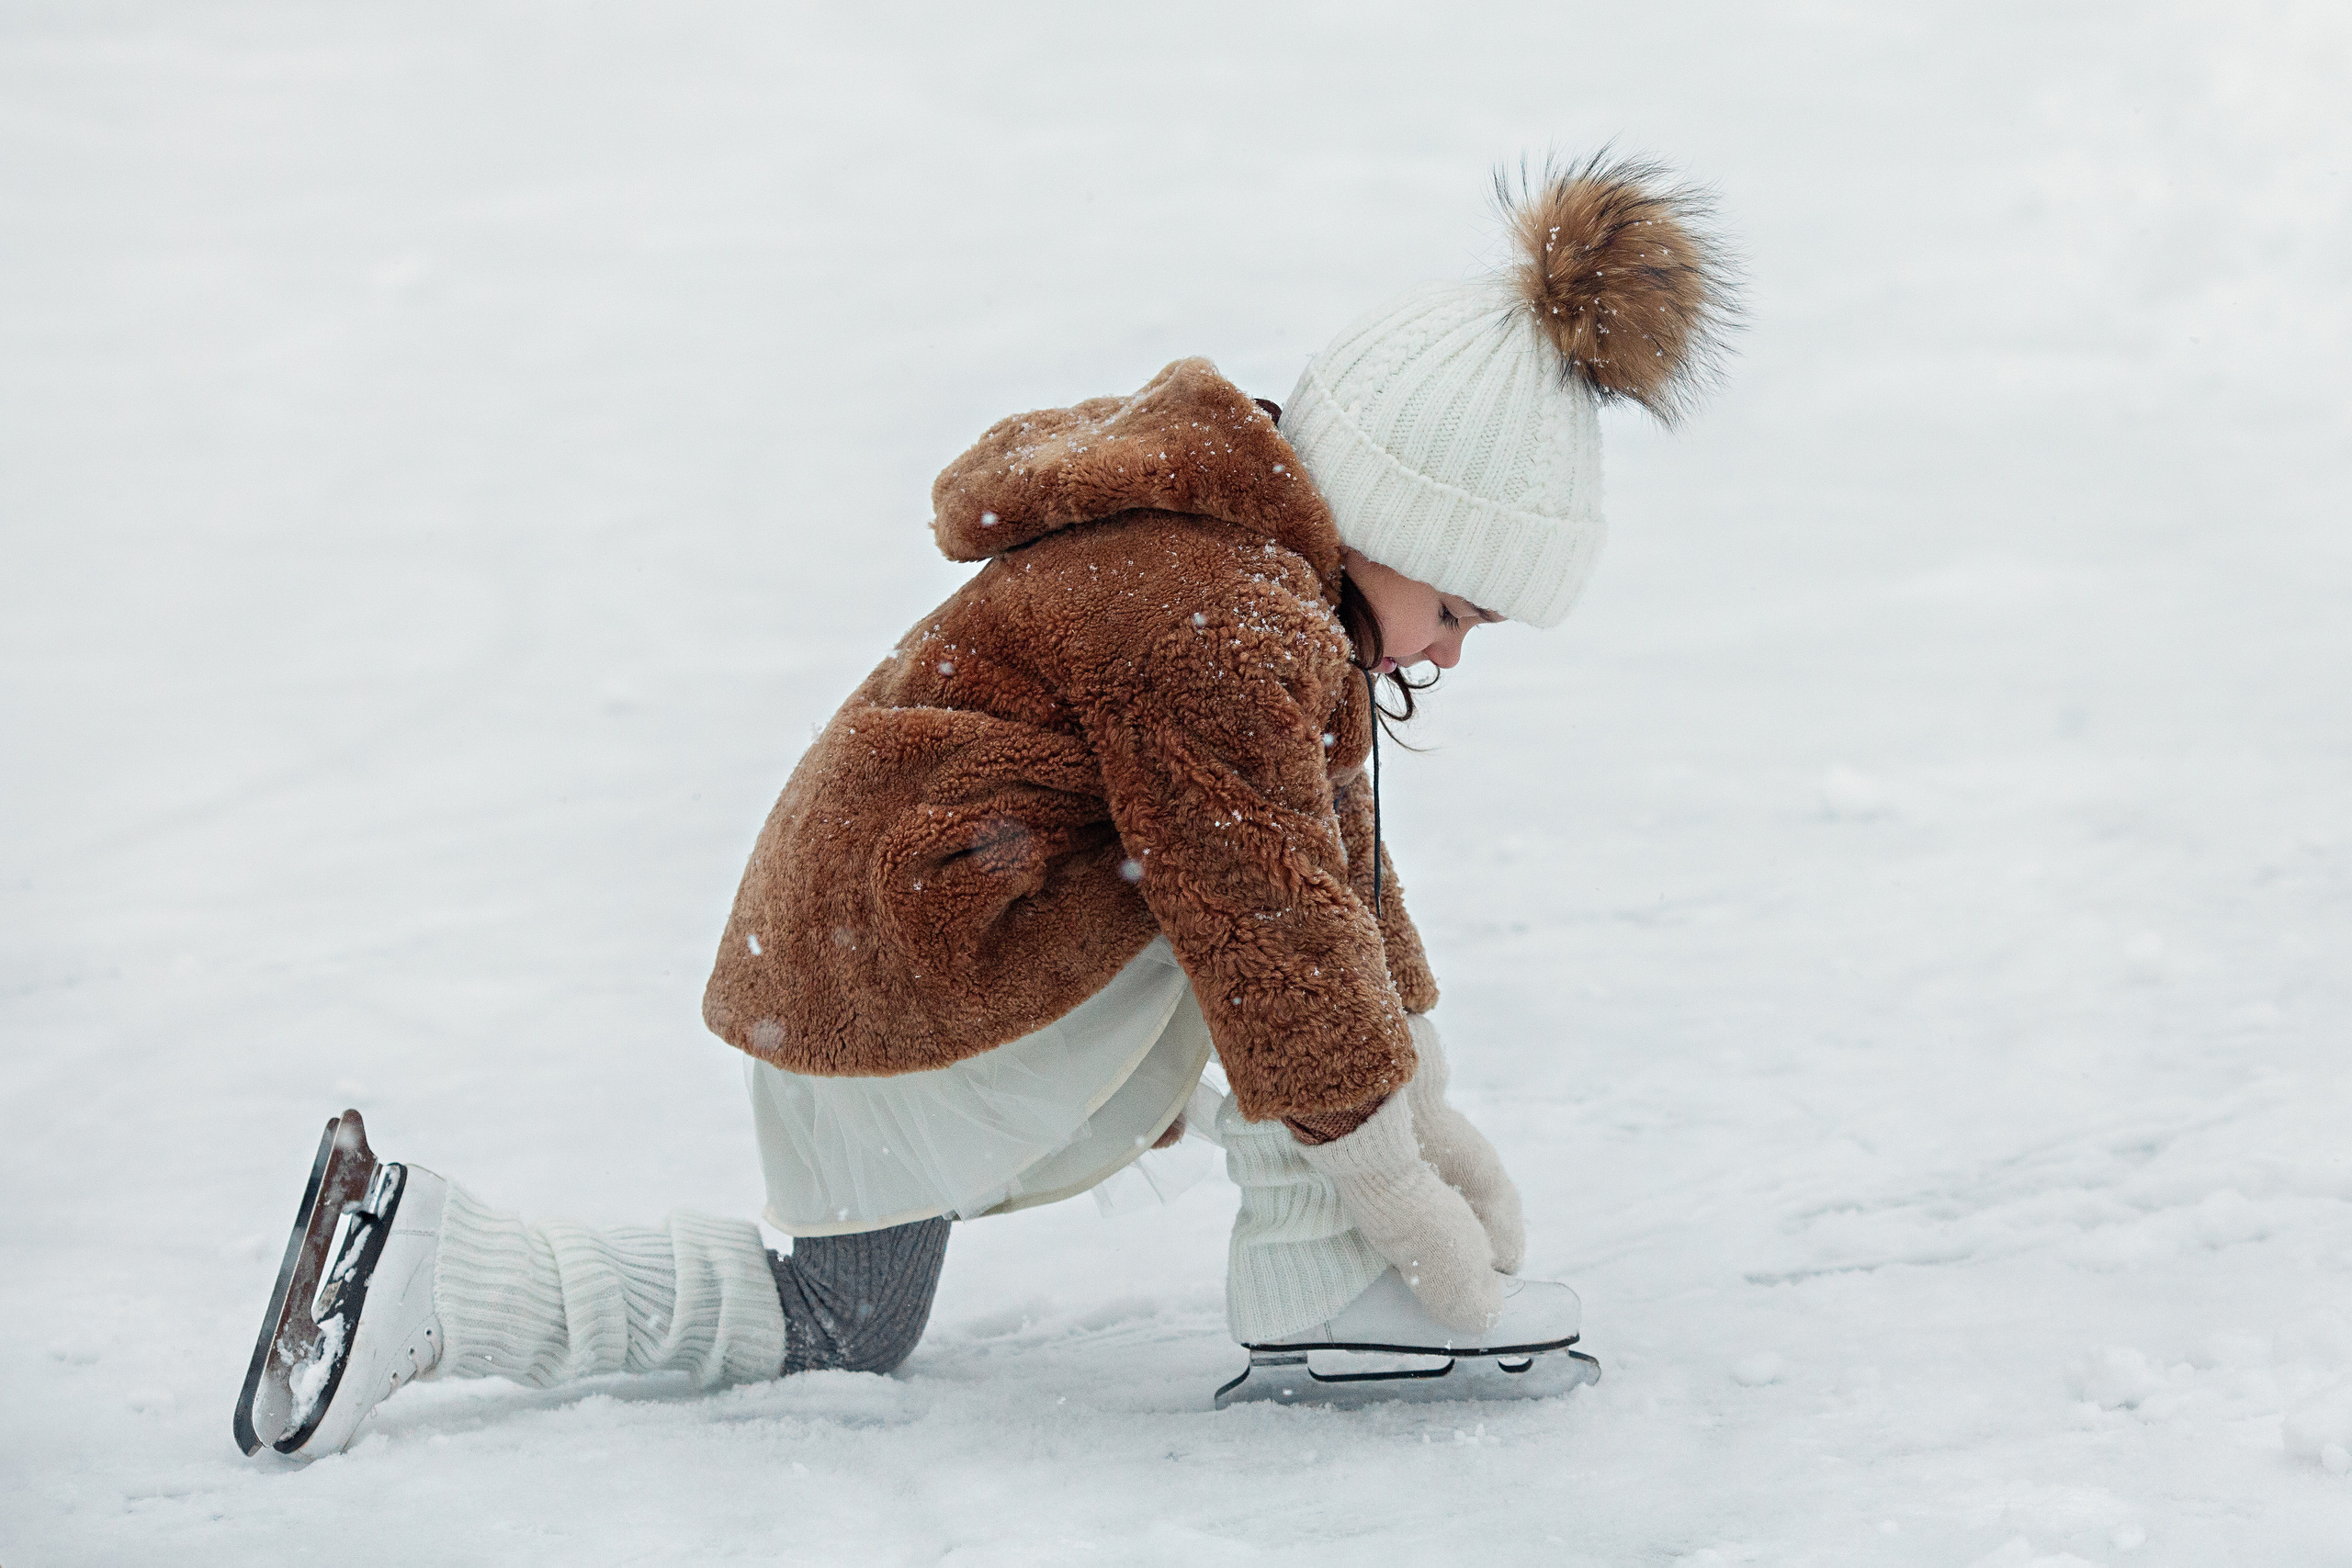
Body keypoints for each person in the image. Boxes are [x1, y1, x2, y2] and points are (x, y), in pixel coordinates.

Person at [238, 154, 1734, 1456]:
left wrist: (1426, 1113)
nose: (1449, 654)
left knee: (841, 1326)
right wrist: (1387, 1195)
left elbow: (1337, 871)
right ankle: (1323, 1282)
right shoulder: (1221, 615)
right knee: (1247, 916)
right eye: (1458, 608)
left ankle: (436, 1273)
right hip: (924, 945)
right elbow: (1274, 914)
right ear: (1398, 520)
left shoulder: (1252, 592)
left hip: (864, 964)